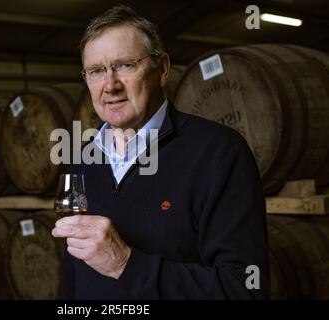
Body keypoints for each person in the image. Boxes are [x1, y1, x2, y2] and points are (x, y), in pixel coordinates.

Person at [51, 4, 270, 299]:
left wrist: (126, 264)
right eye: (96, 71)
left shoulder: (220, 153)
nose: (110, 85)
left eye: (126, 65)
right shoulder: (81, 159)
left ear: (163, 69)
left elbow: (245, 288)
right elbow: (74, 277)